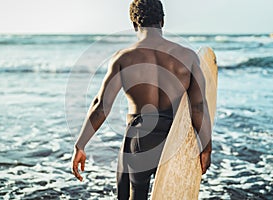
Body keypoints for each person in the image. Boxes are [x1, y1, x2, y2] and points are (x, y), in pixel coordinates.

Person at [71, 0, 212, 199]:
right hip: (175, 138)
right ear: (162, 21)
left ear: (134, 24)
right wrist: (206, 147)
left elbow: (101, 106)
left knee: (134, 196)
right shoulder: (188, 57)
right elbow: (198, 107)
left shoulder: (124, 58)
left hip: (139, 138)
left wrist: (80, 145)